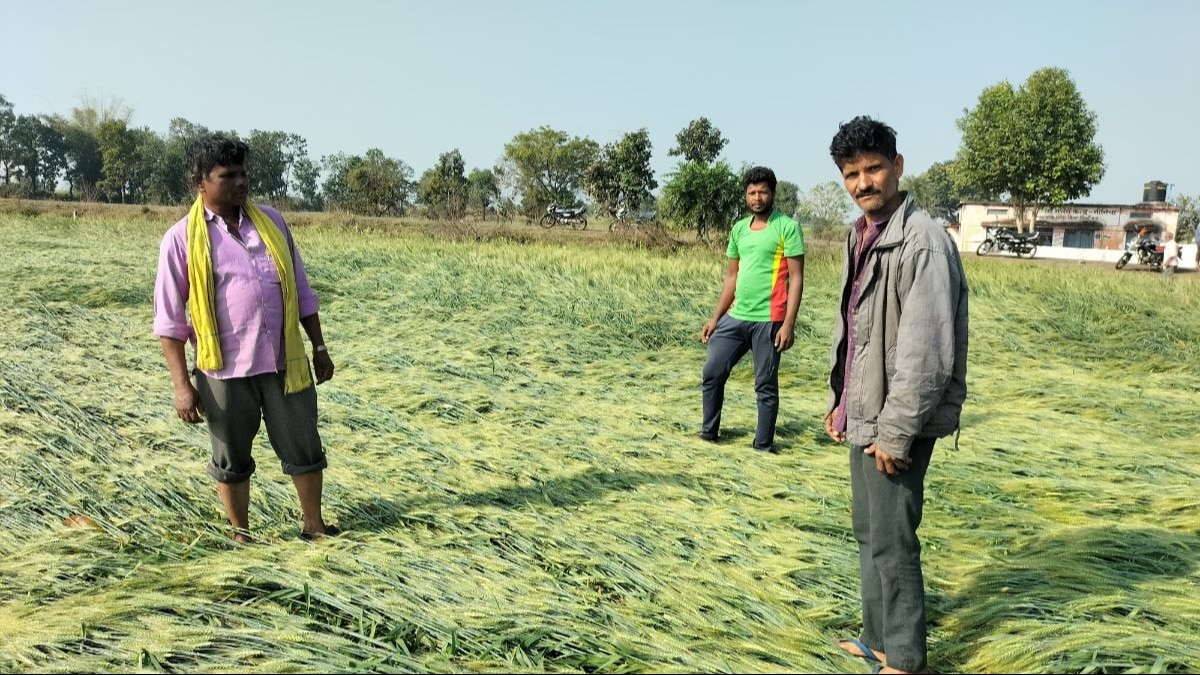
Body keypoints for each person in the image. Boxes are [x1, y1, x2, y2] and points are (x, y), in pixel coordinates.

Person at [823, 117, 968, 674]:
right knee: (869, 533)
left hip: (896, 421)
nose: (863, 182)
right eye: (851, 173)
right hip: (865, 412)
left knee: (893, 540)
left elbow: (926, 352)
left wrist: (896, 431)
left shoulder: (922, 240)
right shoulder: (863, 234)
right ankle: (876, 637)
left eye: (874, 168)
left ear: (898, 166)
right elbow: (857, 332)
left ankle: (904, 659)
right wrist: (842, 401)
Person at [153, 135, 337, 543]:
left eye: (242, 173)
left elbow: (302, 291)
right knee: (231, 456)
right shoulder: (182, 239)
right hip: (223, 370)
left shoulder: (271, 223)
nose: (240, 182)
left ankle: (314, 525)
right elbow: (170, 322)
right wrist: (182, 386)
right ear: (201, 182)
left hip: (284, 363)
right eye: (227, 175)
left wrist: (319, 346)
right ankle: (241, 533)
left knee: (305, 445)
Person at [699, 166, 805, 453]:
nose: (757, 197)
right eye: (752, 192)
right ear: (746, 195)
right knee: (712, 371)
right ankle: (709, 434)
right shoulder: (739, 229)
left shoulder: (787, 227)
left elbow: (796, 278)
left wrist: (788, 324)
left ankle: (762, 445)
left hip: (769, 320)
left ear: (772, 193)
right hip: (736, 317)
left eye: (763, 192)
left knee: (765, 385)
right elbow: (731, 277)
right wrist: (715, 318)